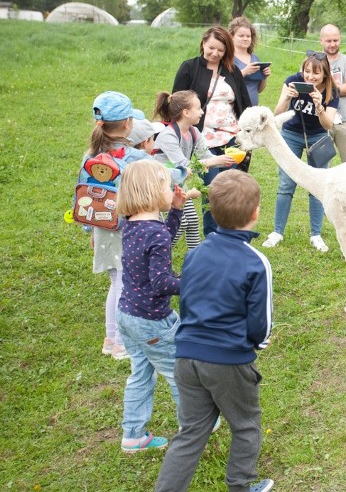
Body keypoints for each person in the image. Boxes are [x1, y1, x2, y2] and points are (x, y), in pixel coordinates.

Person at [155, 170, 274, 492]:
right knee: (246, 424)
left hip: (186, 356)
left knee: (191, 431)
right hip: (229, 361)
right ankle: (241, 486)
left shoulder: (194, 255)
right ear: (255, 212)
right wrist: (256, 345)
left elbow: (189, 300)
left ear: (212, 211)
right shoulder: (255, 261)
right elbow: (260, 321)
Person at [114, 160, 186, 453]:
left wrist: (177, 210)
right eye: (168, 186)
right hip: (153, 320)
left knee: (140, 373)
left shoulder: (130, 222)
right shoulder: (154, 231)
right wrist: (194, 285)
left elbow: (163, 238)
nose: (172, 191)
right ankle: (194, 423)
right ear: (154, 190)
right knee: (180, 372)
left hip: (127, 315)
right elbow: (161, 283)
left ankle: (133, 435)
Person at [80, 91, 150, 360]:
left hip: (101, 226)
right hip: (126, 229)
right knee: (124, 284)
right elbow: (162, 179)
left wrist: (91, 231)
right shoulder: (134, 157)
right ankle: (120, 342)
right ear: (128, 124)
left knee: (116, 282)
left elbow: (84, 193)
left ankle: (112, 339)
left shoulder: (90, 155)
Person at [172, 25, 253, 235]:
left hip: (231, 140)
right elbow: (177, 103)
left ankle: (231, 235)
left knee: (231, 190)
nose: (215, 53)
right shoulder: (189, 68)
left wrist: (248, 134)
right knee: (211, 191)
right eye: (211, 48)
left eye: (221, 50)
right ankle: (211, 236)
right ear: (203, 44)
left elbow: (244, 103)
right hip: (203, 141)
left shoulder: (233, 71)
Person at [261, 50, 338, 252]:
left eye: (316, 73)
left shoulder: (332, 91)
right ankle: (277, 232)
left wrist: (319, 107)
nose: (310, 77)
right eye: (307, 71)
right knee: (286, 184)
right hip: (292, 133)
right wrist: (286, 98)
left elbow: (328, 125)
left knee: (317, 186)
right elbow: (276, 114)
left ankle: (316, 235)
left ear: (325, 74)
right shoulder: (292, 81)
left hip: (318, 137)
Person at [152, 90, 235, 250]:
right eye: (199, 108)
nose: (202, 112)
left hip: (178, 186)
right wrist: (214, 160)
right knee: (181, 223)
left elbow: (206, 156)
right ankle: (161, 254)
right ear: (186, 112)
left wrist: (225, 160)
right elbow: (183, 166)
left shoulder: (193, 132)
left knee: (192, 222)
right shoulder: (168, 135)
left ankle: (196, 259)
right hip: (162, 186)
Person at [319, 24, 346, 162]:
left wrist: (326, 89)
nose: (332, 44)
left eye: (335, 40)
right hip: (320, 120)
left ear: (340, 40)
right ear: (321, 41)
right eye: (328, 41)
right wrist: (337, 89)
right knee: (321, 165)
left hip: (343, 120)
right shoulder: (314, 61)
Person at [229, 17, 271, 107]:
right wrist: (244, 72)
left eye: (248, 36)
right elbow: (225, 84)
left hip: (253, 109)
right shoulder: (228, 58)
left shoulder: (255, 58)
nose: (245, 39)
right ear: (231, 37)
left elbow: (259, 90)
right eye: (241, 36)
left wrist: (264, 77)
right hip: (235, 108)